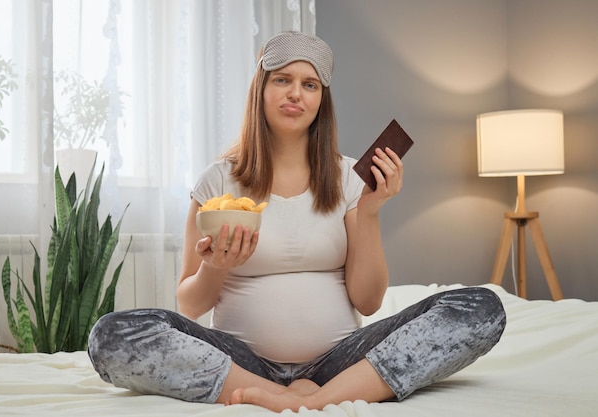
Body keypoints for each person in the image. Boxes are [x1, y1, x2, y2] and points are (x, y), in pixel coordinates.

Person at [87, 31, 506, 412]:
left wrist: (371, 211)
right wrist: (216, 266)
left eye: (309, 85)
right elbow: (189, 305)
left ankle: (321, 397)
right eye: (282, 80)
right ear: (261, 89)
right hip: (239, 361)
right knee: (111, 334)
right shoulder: (218, 179)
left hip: (340, 362)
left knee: (481, 307)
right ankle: (282, 395)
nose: (295, 94)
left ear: (322, 99)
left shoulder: (348, 177)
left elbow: (368, 302)